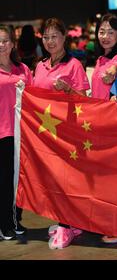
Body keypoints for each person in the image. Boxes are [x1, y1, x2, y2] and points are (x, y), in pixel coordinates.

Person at [33, 18, 90, 249]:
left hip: (67, 132)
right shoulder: (40, 65)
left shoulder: (74, 65)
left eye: (54, 36)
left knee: (66, 180)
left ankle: (65, 227)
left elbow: (86, 100)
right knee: (54, 181)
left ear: (64, 37)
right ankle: (70, 222)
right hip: (46, 134)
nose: (50, 41)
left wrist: (68, 89)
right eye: (46, 37)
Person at [0, 25, 33, 240]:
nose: (1, 45)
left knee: (16, 181)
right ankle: (5, 224)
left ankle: (12, 220)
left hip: (20, 133)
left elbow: (35, 98)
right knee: (3, 180)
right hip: (1, 132)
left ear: (12, 44)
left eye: (4, 41)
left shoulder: (23, 70)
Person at [91, 14, 117, 100]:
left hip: (110, 111)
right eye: (102, 32)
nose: (105, 37)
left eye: (111, 32)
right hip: (97, 110)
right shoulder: (100, 59)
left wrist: (113, 71)